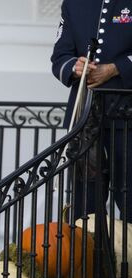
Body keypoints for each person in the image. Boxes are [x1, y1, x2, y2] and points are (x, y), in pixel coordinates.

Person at [51, 0, 132, 221]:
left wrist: (116, 68)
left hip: (126, 118)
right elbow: (59, 58)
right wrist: (75, 67)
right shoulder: (73, 4)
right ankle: (91, 254)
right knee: (85, 202)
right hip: (85, 120)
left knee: (129, 197)